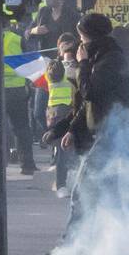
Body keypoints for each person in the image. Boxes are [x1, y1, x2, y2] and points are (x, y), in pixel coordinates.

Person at [43, 12, 129, 240]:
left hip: (113, 137)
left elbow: (91, 92)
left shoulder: (111, 59)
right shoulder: (100, 57)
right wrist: (67, 129)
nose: (80, 44)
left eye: (83, 37)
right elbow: (85, 105)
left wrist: (83, 64)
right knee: (111, 197)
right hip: (104, 135)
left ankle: (71, 246)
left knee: (83, 193)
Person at [2, 6, 36, 174]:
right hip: (17, 90)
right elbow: (28, 63)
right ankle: (27, 163)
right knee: (21, 128)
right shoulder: (17, 38)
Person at [44, 51, 75, 196]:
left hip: (52, 118)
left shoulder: (49, 84)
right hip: (66, 117)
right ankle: (63, 184)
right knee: (66, 152)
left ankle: (61, 183)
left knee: (60, 152)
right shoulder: (69, 84)